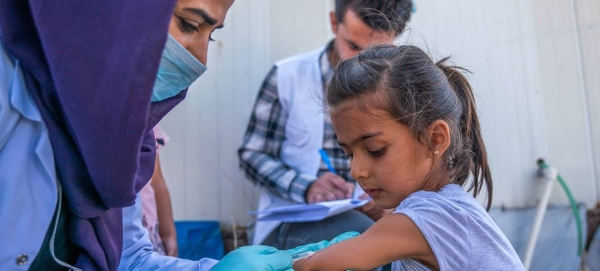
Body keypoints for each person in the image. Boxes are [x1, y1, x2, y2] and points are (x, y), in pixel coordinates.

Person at [0, 0, 294, 270]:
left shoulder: (119, 129)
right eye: (189, 25)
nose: (201, 59)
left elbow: (127, 258)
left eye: (212, 35)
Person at [292, 45, 526, 270]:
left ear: (435, 139)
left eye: (375, 150)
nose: (356, 171)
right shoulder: (447, 209)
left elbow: (318, 266)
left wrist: (288, 259)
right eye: (349, 154)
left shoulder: (432, 215)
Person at [238, 0, 414, 249]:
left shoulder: (402, 86)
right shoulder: (287, 77)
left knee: (406, 242)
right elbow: (252, 155)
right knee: (365, 241)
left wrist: (390, 201)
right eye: (353, 46)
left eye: (377, 52)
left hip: (376, 217)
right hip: (295, 218)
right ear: (334, 23)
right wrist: (307, 187)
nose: (362, 61)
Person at [139, 125, 178, 256]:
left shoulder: (147, 118)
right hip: (113, 237)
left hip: (150, 235)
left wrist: (168, 234)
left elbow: (156, 181)